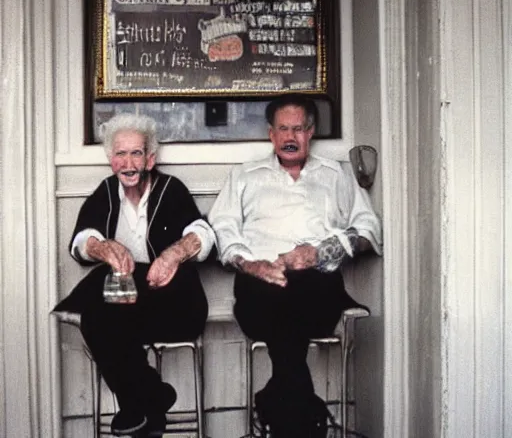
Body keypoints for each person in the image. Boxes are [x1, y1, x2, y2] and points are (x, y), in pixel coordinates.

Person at [208, 94, 382, 438]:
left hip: (317, 287)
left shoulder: (337, 175)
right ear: (271, 134)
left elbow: (368, 230)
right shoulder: (245, 176)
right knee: (276, 299)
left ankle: (281, 406)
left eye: (299, 129)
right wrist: (252, 264)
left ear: (311, 132)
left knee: (299, 293)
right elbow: (221, 229)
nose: (291, 137)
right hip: (259, 287)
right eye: (283, 129)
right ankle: (300, 416)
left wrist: (321, 252)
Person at [53, 113, 215, 437]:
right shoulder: (107, 191)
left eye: (136, 153)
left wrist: (174, 254)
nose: (128, 163)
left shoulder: (171, 189)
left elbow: (204, 234)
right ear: (111, 159)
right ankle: (148, 398)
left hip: (173, 307)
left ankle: (143, 400)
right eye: (120, 154)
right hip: (126, 310)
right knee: (99, 315)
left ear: (150, 158)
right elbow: (81, 240)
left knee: (100, 316)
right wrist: (103, 248)